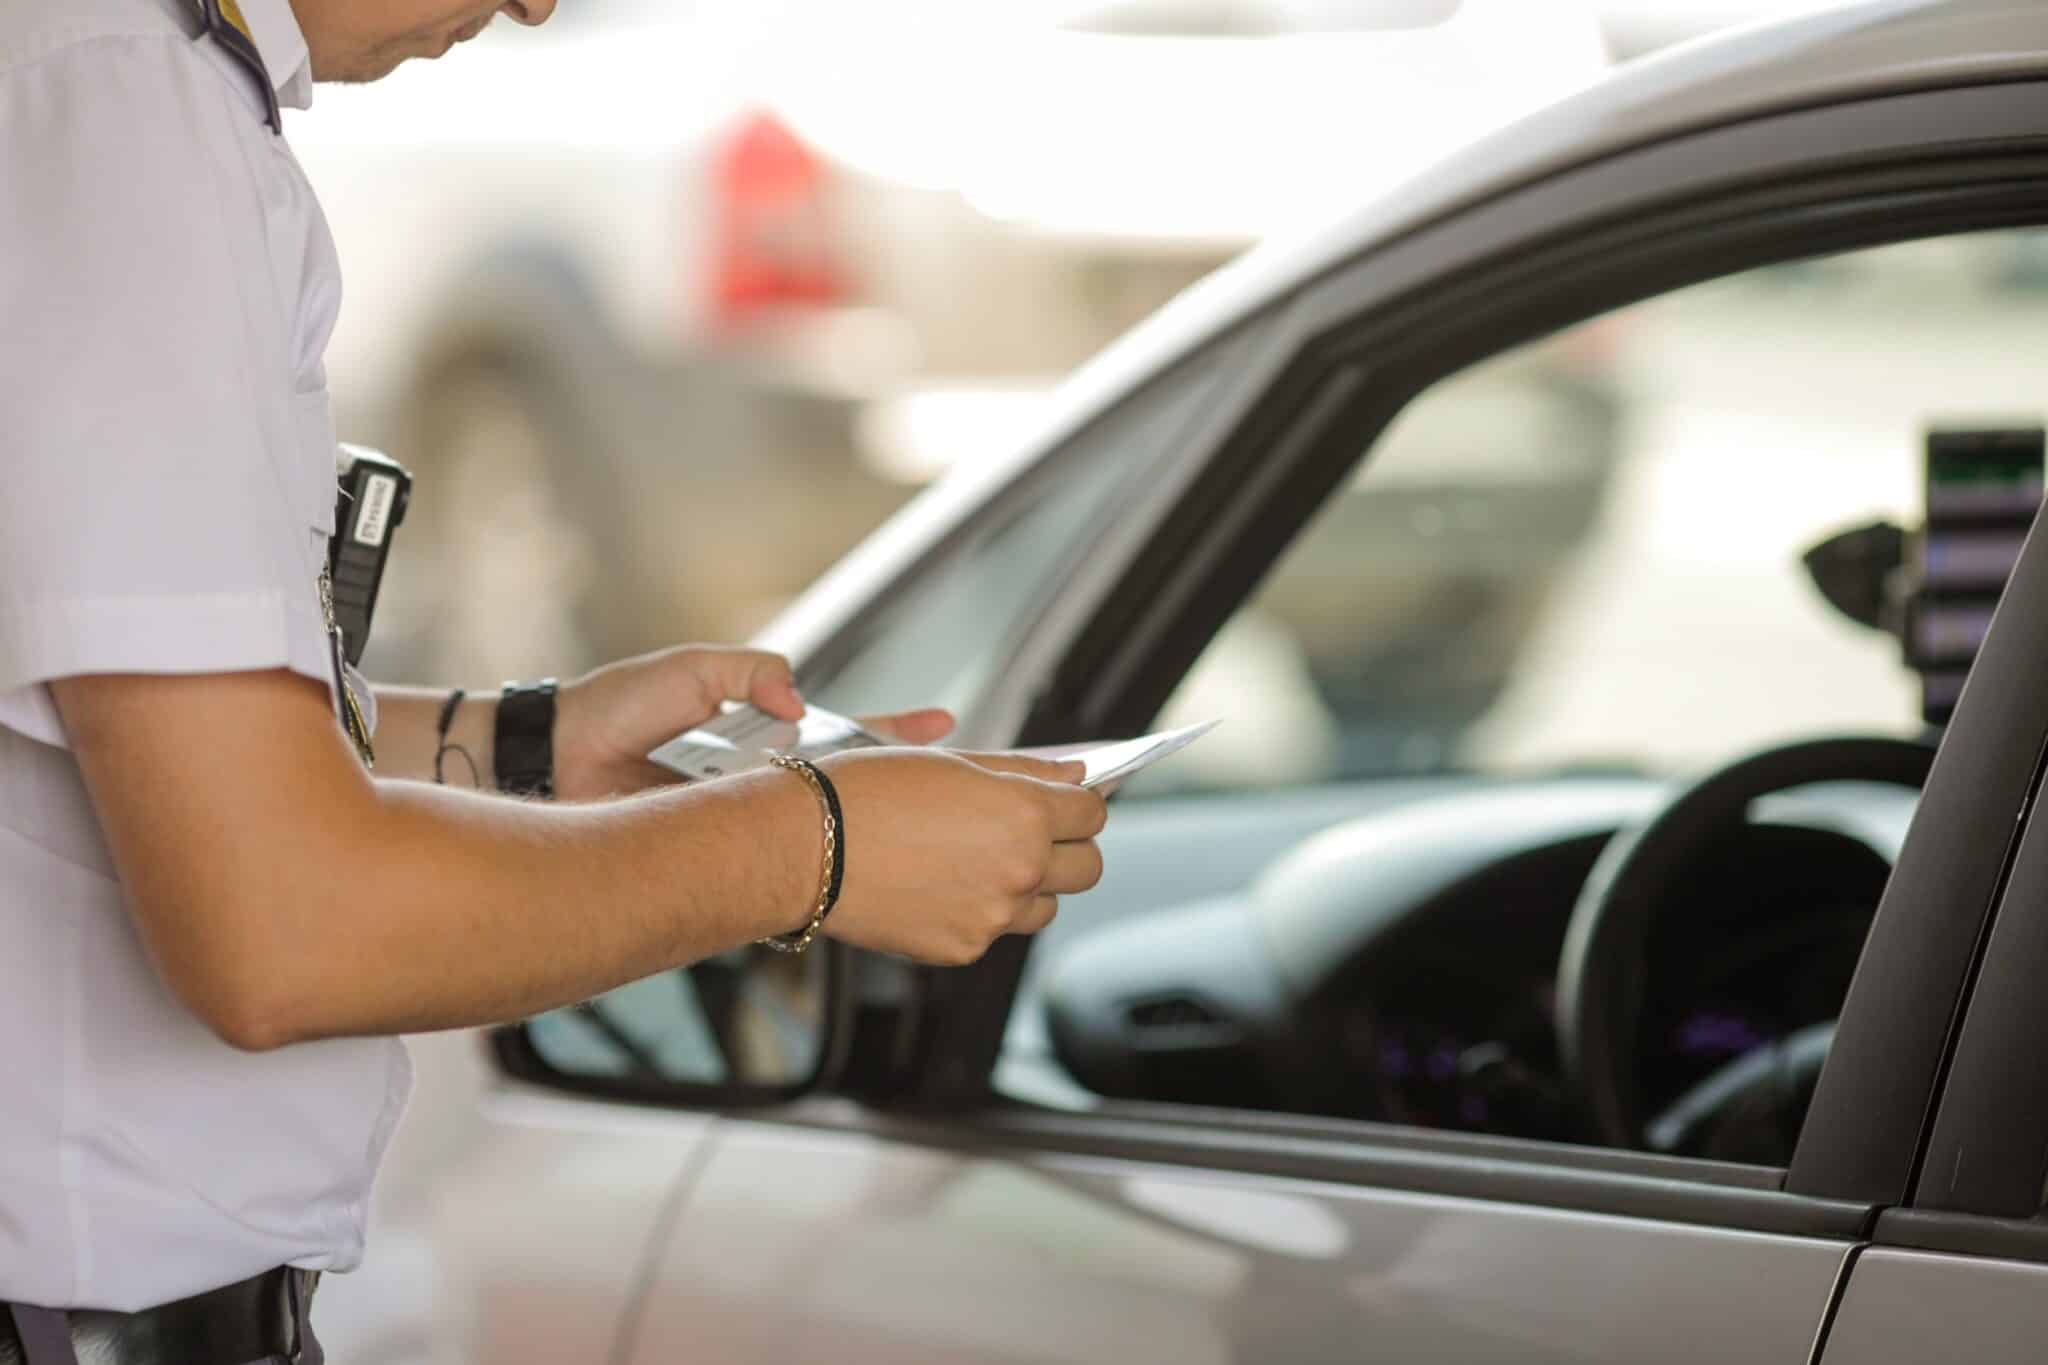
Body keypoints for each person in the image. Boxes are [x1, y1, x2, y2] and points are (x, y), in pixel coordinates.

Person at [0, 1, 1109, 1360]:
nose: (534, 6)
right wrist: (811, 845)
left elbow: (134, 755)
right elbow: (280, 925)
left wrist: (520, 748)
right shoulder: (119, 113)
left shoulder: (118, 82)